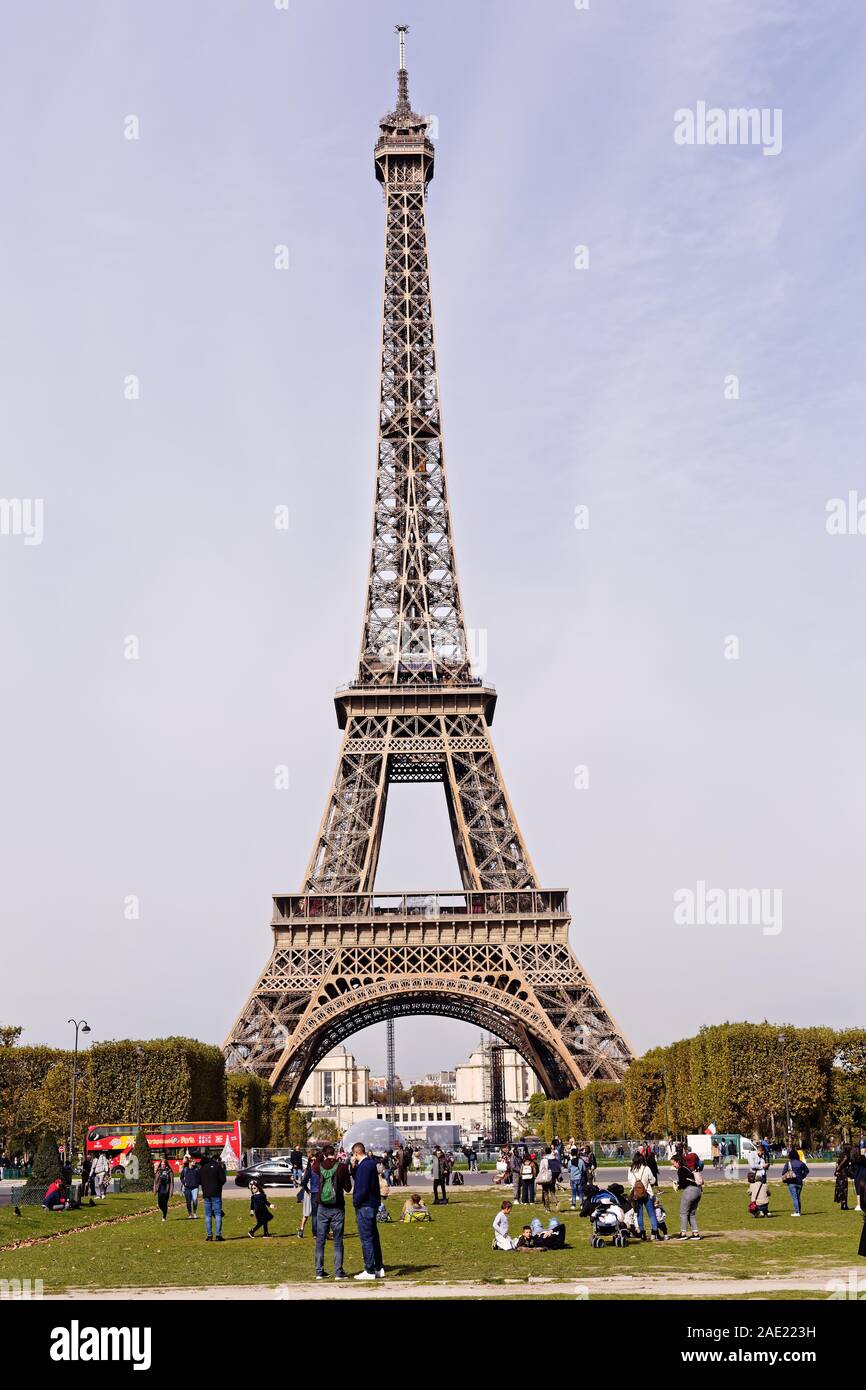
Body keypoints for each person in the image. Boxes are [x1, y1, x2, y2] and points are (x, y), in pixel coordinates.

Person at [313, 1143, 352, 1280]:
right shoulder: (342, 1167)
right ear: (335, 1153)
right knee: (337, 1240)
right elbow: (348, 1189)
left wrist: (320, 1157)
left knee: (320, 1240)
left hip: (322, 1207)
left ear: (324, 1154)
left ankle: (319, 1271)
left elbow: (313, 1166)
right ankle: (338, 1271)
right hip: (337, 1207)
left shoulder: (320, 1166)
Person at [350, 1142, 384, 1281]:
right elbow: (357, 1176)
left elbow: (362, 1187)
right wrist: (353, 1167)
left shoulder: (364, 1166)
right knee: (374, 1237)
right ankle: (378, 1268)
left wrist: (355, 1201)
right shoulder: (369, 1163)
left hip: (365, 1205)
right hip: (373, 1203)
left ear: (356, 1153)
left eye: (353, 1155)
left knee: (366, 1239)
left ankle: (369, 1269)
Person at [629, 1151, 661, 1240]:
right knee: (651, 1214)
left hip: (636, 1194)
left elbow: (630, 1182)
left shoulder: (631, 1169)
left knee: (639, 1214)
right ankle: (655, 1232)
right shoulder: (646, 1168)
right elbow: (653, 1180)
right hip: (647, 1193)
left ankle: (642, 1232)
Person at [198, 1152, 227, 1242]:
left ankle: (209, 1236)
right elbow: (223, 1179)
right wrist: (218, 1185)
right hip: (216, 1193)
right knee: (218, 1214)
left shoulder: (202, 1169)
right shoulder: (218, 1166)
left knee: (208, 1215)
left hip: (206, 1193)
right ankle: (218, 1235)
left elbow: (199, 1181)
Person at [673, 1153, 703, 1238]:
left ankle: (683, 1233)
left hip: (690, 1191)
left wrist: (677, 1186)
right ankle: (695, 1233)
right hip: (698, 1191)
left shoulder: (681, 1169)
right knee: (691, 1213)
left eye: (674, 1163)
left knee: (683, 1213)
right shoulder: (687, 1168)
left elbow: (683, 1183)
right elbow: (687, 1180)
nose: (673, 1166)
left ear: (677, 1161)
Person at [296, 1145, 320, 1240]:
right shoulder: (308, 1170)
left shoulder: (318, 1169)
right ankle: (301, 1230)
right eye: (311, 1160)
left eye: (314, 1160)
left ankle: (321, 1231)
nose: (313, 1162)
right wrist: (307, 1190)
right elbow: (303, 1183)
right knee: (306, 1214)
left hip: (315, 1192)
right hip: (308, 1193)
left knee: (318, 1213)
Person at [781, 1147, 809, 1216]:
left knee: (794, 1197)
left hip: (791, 1182)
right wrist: (802, 1176)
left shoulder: (788, 1163)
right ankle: (798, 1211)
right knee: (798, 1197)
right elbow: (807, 1171)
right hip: (799, 1182)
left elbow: (783, 1172)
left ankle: (797, 1212)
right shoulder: (801, 1163)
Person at [537, 1147, 556, 1211]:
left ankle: (547, 1208)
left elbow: (541, 1169)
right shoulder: (554, 1158)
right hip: (552, 1176)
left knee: (545, 1192)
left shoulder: (543, 1159)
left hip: (545, 1177)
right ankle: (556, 1203)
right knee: (552, 1191)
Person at [834, 1145, 852, 1211]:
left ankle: (843, 1204)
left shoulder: (841, 1154)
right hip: (843, 1174)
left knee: (841, 1189)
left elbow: (837, 1162)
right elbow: (845, 1160)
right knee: (844, 1189)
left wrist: (836, 1169)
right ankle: (844, 1205)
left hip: (840, 1174)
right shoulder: (847, 1155)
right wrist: (839, 1168)